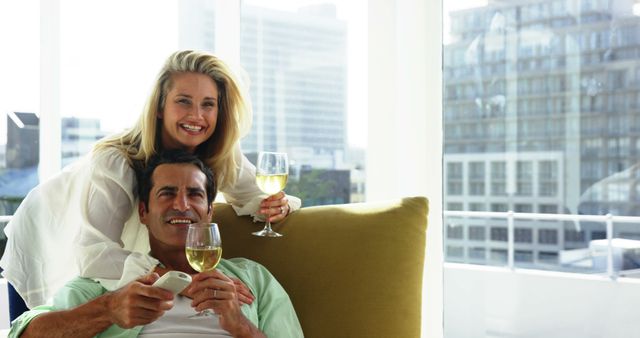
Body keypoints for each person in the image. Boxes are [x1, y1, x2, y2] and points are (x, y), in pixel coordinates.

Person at [0, 50, 301, 308]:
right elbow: (94, 253)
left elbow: (257, 196)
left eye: (208, 104)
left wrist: (275, 206)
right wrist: (184, 281)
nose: (197, 115)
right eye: (184, 101)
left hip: (93, 253)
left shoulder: (220, 153)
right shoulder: (117, 160)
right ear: (159, 107)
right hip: (45, 235)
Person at [8, 149, 303, 338]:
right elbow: (21, 334)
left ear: (210, 211)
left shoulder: (252, 279)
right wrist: (109, 310)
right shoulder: (109, 284)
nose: (182, 205)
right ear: (143, 212)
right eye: (167, 193)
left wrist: (240, 326)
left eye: (196, 194)